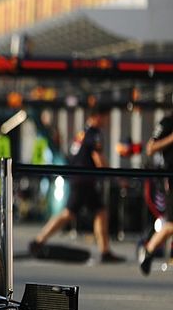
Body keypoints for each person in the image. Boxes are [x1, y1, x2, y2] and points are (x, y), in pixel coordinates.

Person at [29, 106, 124, 264]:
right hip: (84, 180)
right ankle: (38, 241)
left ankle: (105, 250)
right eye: (106, 117)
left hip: (80, 179)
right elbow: (98, 158)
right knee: (69, 214)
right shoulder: (94, 133)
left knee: (100, 212)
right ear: (98, 116)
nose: (107, 121)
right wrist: (115, 176)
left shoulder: (82, 132)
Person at [138, 110, 173, 275]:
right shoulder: (167, 122)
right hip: (171, 178)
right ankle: (149, 249)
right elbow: (150, 148)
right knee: (171, 224)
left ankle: (150, 249)